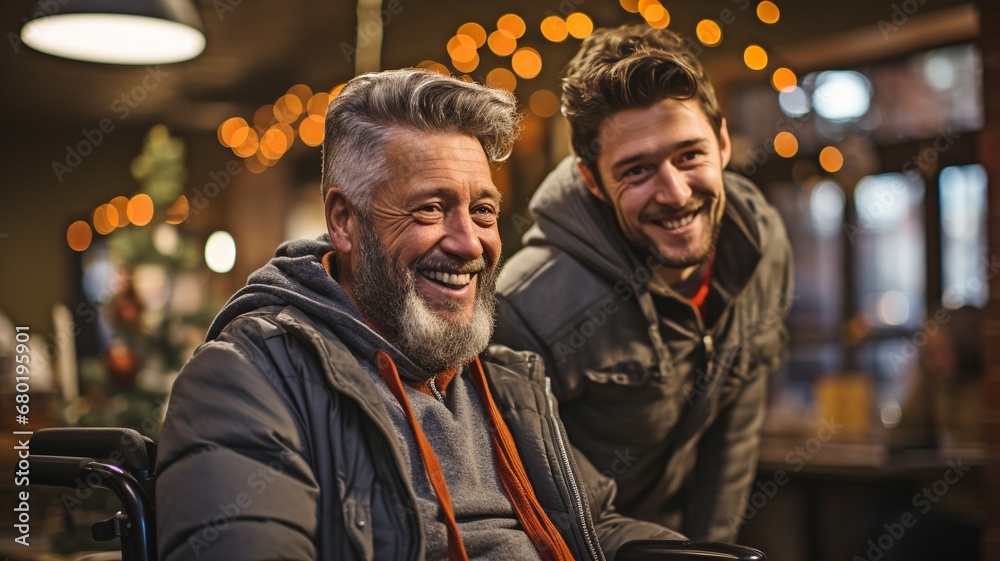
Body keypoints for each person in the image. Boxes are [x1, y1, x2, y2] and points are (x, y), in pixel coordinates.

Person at [155, 68, 678, 561]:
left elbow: (597, 525)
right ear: (344, 222)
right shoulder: (249, 378)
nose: (469, 242)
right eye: (429, 208)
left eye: (483, 211)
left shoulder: (503, 380)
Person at [493, 24, 793, 543]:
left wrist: (710, 553)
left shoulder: (761, 246)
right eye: (637, 170)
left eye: (689, 155)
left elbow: (735, 427)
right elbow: (551, 502)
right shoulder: (526, 308)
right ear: (592, 180)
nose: (675, 193)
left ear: (722, 143)